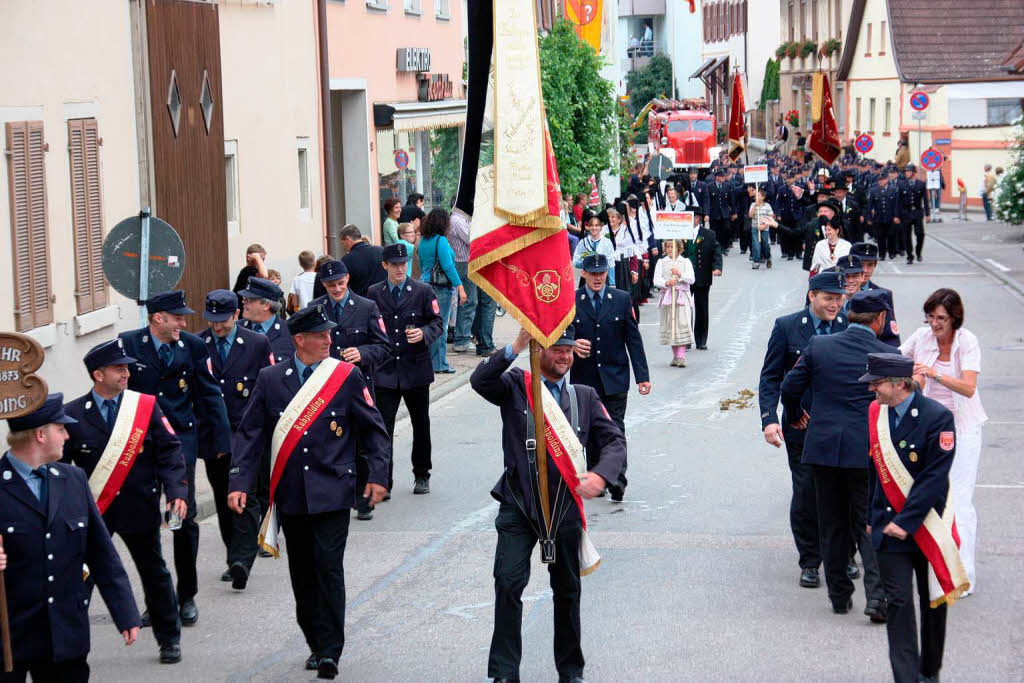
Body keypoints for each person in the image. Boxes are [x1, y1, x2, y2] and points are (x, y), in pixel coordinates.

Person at [227, 304, 391, 680]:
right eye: (321, 336)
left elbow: (373, 430)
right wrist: (238, 482)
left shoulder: (345, 376)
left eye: (329, 334)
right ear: (299, 340)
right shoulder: (271, 379)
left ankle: (331, 649)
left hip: (333, 490)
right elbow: (250, 434)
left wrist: (379, 475)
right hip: (291, 494)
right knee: (303, 572)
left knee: (328, 567)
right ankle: (316, 642)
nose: (329, 340)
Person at [471, 326, 626, 683]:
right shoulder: (515, 386)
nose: (565, 356)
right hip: (519, 504)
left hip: (563, 506)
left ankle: (571, 670)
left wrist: (602, 475)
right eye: (557, 349)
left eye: (569, 350)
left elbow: (614, 440)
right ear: (539, 350)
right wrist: (517, 344)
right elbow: (480, 380)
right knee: (508, 583)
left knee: (568, 590)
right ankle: (504, 672)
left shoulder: (584, 396)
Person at [61, 340, 187, 664]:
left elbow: (170, 451)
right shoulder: (73, 414)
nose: (126, 373)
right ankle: (70, 648)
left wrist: (177, 493)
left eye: (127, 367)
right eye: (119, 368)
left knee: (154, 573)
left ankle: (169, 638)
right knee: (81, 578)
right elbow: (61, 469)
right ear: (98, 374)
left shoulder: (144, 406)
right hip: (94, 512)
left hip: (139, 506)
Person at [0, 394, 141, 681]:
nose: (67, 434)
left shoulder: (73, 479)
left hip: (65, 633)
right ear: (40, 435)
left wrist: (125, 612)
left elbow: (102, 554)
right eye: (60, 428)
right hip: (10, 637)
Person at [118, 290, 230, 628]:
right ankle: (158, 599)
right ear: (157, 319)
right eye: (178, 317)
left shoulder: (193, 347)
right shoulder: (128, 345)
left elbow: (210, 394)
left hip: (180, 445)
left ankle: (186, 596)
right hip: (140, 446)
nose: (185, 322)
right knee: (145, 523)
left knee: (183, 518)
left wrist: (222, 441)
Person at [781, 289, 894, 622]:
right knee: (868, 524)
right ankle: (876, 599)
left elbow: (789, 386)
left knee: (831, 523)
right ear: (881, 319)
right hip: (866, 450)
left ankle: (839, 596)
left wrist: (794, 412)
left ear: (850, 313)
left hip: (824, 446)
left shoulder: (820, 346)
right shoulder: (887, 353)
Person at [861, 352, 966, 683]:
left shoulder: (937, 418)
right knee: (899, 604)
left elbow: (934, 478)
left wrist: (906, 522)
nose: (871, 390)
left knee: (933, 602)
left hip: (926, 526)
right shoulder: (876, 412)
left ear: (898, 384)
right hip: (887, 527)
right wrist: (869, 514)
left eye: (876, 383)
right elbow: (873, 470)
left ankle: (929, 671)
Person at [759, 271, 849, 588]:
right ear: (812, 296)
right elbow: (770, 378)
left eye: (840, 298)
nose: (835, 304)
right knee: (807, 492)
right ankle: (810, 560)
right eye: (829, 298)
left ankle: (844, 554)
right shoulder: (787, 327)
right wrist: (769, 418)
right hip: (802, 426)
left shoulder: (850, 327)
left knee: (843, 494)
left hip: (843, 429)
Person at [899, 288, 986, 594]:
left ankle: (964, 576)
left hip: (963, 428)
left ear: (954, 319)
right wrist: (912, 376)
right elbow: (896, 361)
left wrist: (934, 375)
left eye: (941, 319)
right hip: (929, 429)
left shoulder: (968, 341)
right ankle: (935, 569)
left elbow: (969, 388)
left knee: (960, 501)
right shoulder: (921, 337)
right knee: (928, 499)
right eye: (931, 317)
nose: (934, 324)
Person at [197, 289, 274, 589]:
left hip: (248, 434)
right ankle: (234, 554)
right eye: (211, 321)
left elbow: (268, 385)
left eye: (223, 321)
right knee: (222, 497)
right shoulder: (197, 345)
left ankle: (242, 559)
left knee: (248, 495)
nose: (217, 327)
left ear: (236, 315)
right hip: (214, 437)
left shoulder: (256, 343)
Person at [309, 259, 391, 520]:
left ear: (348, 280)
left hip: (357, 387)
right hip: (324, 387)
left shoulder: (367, 307)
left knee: (362, 443)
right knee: (328, 443)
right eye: (331, 285)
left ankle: (363, 499)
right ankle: (333, 495)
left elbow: (384, 347)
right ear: (323, 284)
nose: (336, 289)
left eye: (340, 283)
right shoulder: (315, 309)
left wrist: (363, 353)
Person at [570, 254, 651, 501]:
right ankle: (599, 476)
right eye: (593, 273)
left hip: (615, 377)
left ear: (607, 273)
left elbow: (633, 340)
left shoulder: (621, 299)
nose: (597, 278)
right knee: (592, 429)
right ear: (583, 273)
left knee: (615, 428)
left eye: (601, 273)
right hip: (585, 380)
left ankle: (616, 477)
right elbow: (558, 334)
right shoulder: (572, 301)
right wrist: (571, 344)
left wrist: (642, 376)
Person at [366, 242, 444, 495]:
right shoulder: (374, 293)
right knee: (383, 426)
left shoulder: (422, 290)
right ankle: (382, 480)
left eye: (403, 264)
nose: (400, 269)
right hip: (386, 369)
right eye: (395, 265)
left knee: (420, 423)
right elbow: (369, 326)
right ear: (384, 265)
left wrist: (423, 333)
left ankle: (422, 474)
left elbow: (437, 322)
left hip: (416, 368)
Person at [417, 208, 467, 373]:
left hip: (424, 286)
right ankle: (439, 363)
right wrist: (460, 288)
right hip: (440, 288)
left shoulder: (423, 240)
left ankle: (430, 362)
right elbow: (448, 266)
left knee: (429, 325)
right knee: (440, 326)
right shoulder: (441, 241)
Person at [450, 208, 496, 357]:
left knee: (475, 302)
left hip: (470, 262)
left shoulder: (462, 219)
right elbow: (473, 240)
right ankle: (463, 340)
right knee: (470, 302)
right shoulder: (457, 220)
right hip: (465, 263)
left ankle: (475, 339)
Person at [652, 240, 695, 367]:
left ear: (679, 248)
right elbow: (656, 279)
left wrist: (680, 274)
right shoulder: (662, 262)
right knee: (671, 325)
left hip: (681, 297)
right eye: (668, 247)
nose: (670, 249)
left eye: (673, 247)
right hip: (668, 297)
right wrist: (666, 283)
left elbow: (691, 279)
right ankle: (675, 356)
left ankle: (681, 356)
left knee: (681, 323)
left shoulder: (685, 262)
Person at [850, 242, 902, 348]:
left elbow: (891, 338)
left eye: (870, 265)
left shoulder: (883, 295)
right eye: (861, 264)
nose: (865, 270)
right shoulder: (836, 292)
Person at [686, 211, 723, 350]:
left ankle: (701, 339)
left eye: (692, 217)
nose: (690, 220)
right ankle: (686, 338)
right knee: (685, 309)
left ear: (698, 219)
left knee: (702, 308)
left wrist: (717, 267)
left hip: (702, 276)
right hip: (685, 277)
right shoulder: (681, 233)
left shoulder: (709, 234)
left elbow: (716, 251)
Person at [238, 277, 295, 364]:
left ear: (266, 305)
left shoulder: (290, 333)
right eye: (244, 298)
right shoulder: (235, 329)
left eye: (249, 299)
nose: (243, 302)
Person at [572, 209, 616, 288]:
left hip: (602, 278)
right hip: (586, 278)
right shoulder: (583, 242)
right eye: (591, 225)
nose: (594, 228)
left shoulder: (607, 242)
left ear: (601, 227)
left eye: (596, 225)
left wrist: (612, 284)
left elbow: (611, 263)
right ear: (588, 226)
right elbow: (575, 261)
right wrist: (586, 261)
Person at [339, 224, 386, 296]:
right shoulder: (381, 251)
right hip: (384, 300)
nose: (344, 247)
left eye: (343, 243)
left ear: (347, 239)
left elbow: (344, 285)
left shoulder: (347, 260)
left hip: (362, 303)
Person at [898, 164, 930, 264]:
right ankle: (909, 256)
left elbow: (925, 200)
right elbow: (898, 201)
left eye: (909, 171)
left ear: (914, 173)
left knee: (920, 234)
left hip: (917, 212)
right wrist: (897, 215)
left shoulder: (921, 184)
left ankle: (918, 252)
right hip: (905, 213)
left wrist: (927, 214)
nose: (907, 173)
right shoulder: (901, 184)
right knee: (906, 235)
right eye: (906, 171)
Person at [868, 171, 900, 260]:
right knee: (880, 236)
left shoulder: (893, 189)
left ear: (887, 179)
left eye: (883, 179)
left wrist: (896, 216)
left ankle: (891, 252)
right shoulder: (874, 190)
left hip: (890, 217)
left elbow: (896, 204)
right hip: (878, 217)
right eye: (880, 180)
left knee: (891, 235)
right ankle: (882, 254)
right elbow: (870, 205)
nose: (881, 181)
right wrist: (869, 217)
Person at [707, 169, 736, 254]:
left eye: (724, 176)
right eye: (721, 176)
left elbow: (731, 200)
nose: (723, 178)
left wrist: (734, 212)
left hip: (725, 212)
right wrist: (707, 213)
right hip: (714, 212)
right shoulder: (710, 186)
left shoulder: (727, 186)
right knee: (715, 231)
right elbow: (708, 200)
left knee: (726, 229)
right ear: (717, 177)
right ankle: (716, 248)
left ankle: (724, 246)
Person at [748, 186, 775, 269]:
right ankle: (756, 261)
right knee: (756, 244)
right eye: (756, 195)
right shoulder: (753, 204)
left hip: (765, 228)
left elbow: (771, 217)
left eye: (758, 195)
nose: (756, 197)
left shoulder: (767, 206)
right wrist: (755, 207)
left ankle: (768, 257)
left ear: (763, 197)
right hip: (755, 227)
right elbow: (750, 215)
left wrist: (764, 225)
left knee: (765, 245)